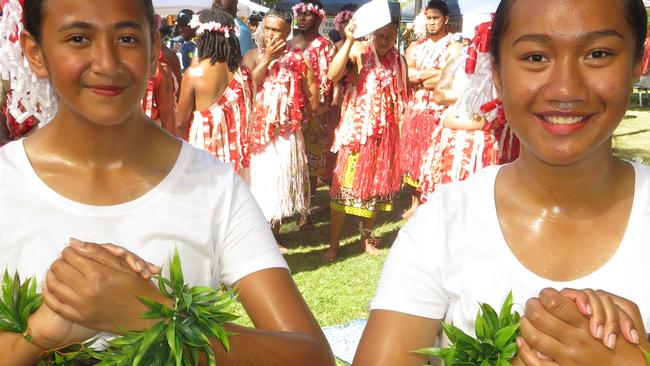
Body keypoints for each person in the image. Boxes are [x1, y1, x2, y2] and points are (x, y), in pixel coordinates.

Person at [0, 1, 335, 365]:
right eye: (79, 38)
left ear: (153, 48)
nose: (107, 63)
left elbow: (312, 356)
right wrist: (36, 336)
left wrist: (153, 314)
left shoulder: (214, 188)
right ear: (35, 52)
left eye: (127, 38)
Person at [353, 0, 650, 365]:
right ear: (495, 69)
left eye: (598, 53)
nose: (565, 89)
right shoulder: (444, 222)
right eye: (536, 58)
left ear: (639, 61)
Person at [324, 15, 408, 261]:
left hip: (385, 134)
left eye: (390, 37)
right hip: (357, 132)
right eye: (380, 35)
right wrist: (349, 40)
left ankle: (365, 238)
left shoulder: (398, 61)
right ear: (372, 34)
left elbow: (401, 97)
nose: (384, 41)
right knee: (343, 189)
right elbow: (332, 75)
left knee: (375, 188)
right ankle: (333, 244)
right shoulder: (359, 52)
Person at [243, 9, 319, 251]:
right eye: (267, 28)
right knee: (257, 184)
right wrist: (266, 59)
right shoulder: (253, 55)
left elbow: (311, 96)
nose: (270, 34)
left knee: (278, 183)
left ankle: (272, 237)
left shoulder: (298, 59)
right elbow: (245, 89)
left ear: (288, 33)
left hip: (286, 133)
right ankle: (253, 235)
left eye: (277, 30)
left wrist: (308, 116)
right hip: (257, 133)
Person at [417, 20, 501, 201]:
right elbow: (439, 96)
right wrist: (466, 96)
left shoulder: (501, 70)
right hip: (454, 138)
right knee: (448, 193)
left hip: (484, 141)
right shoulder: (457, 63)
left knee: (478, 196)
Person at [399, 0, 460, 219]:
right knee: (414, 154)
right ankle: (414, 202)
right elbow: (408, 76)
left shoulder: (454, 45)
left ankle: (431, 201)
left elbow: (449, 77)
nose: (432, 23)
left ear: (445, 19)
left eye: (436, 18)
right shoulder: (415, 46)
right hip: (417, 108)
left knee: (433, 155)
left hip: (439, 109)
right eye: (429, 18)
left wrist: (424, 75)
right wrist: (435, 72)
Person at [176, 8, 254, 178]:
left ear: (203, 36)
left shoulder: (194, 74)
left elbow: (181, 123)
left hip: (203, 158)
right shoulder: (243, 73)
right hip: (236, 160)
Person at [290, 0, 336, 229]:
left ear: (319, 18)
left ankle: (305, 211)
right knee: (293, 161)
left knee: (312, 165)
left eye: (307, 15)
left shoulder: (327, 46)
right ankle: (290, 205)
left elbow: (335, 80)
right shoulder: (289, 46)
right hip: (291, 113)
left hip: (318, 115)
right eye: (299, 14)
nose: (302, 18)